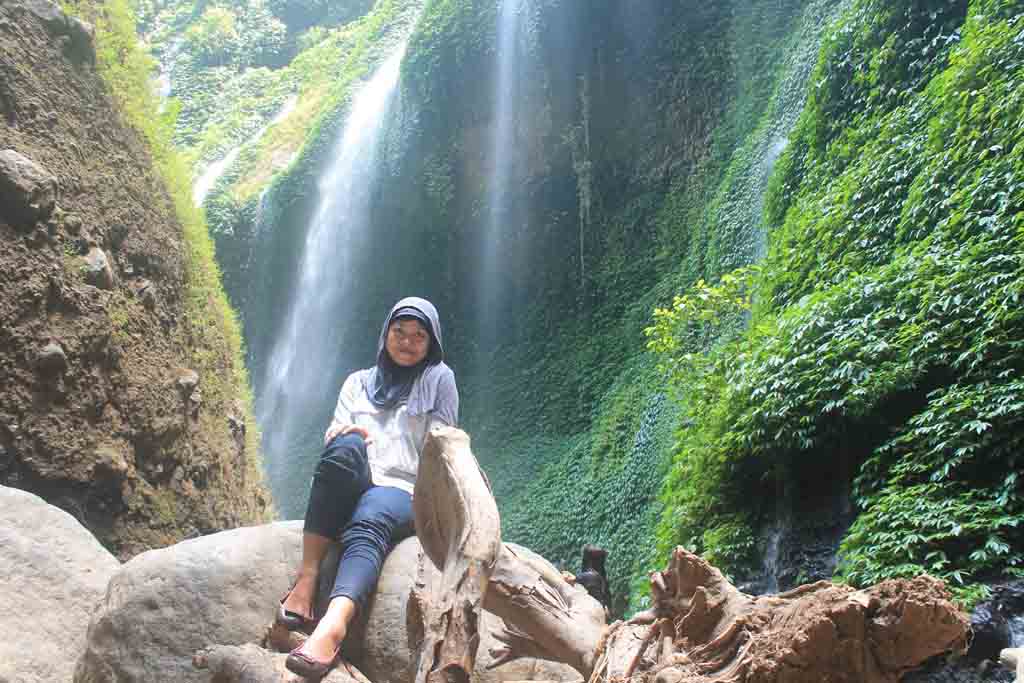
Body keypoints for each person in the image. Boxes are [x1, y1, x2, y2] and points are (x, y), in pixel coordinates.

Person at [280, 297, 459, 679]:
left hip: (406, 489)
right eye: (400, 331)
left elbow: (443, 444)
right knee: (342, 448)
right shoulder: (358, 382)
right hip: (357, 478)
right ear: (385, 334)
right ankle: (308, 575)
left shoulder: (438, 379)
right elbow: (335, 430)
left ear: (432, 344)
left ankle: (333, 624)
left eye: (418, 335)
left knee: (373, 510)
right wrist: (343, 436)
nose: (407, 342)